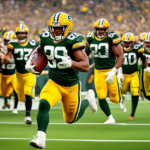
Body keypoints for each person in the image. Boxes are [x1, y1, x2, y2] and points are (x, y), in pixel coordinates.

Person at [26, 12, 97, 149]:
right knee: (43, 104)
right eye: (53, 27)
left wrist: (71, 63)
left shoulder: (74, 41)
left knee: (71, 119)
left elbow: (85, 65)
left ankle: (88, 99)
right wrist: (31, 57)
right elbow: (41, 48)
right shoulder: (46, 37)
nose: (56, 30)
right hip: (53, 82)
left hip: (70, 85)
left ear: (67, 27)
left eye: (59, 27)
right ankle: (41, 138)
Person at [85, 18, 125, 124]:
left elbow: (121, 57)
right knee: (101, 96)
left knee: (115, 100)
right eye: (99, 29)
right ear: (95, 29)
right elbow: (85, 53)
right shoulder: (90, 38)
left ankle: (120, 90)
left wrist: (113, 71)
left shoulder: (112, 38)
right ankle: (110, 118)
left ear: (107, 29)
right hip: (98, 71)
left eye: (103, 29)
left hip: (110, 70)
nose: (101, 31)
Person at [2, 24, 39, 124]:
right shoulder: (12, 44)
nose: (21, 35)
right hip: (18, 74)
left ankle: (28, 116)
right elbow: (7, 56)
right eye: (19, 34)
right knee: (20, 96)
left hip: (30, 73)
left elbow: (40, 54)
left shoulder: (33, 43)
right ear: (17, 34)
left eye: (23, 33)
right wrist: (4, 60)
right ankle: (12, 104)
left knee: (28, 93)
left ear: (26, 34)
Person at [117, 32, 147, 120]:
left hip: (134, 74)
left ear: (132, 43)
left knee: (135, 92)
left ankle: (132, 114)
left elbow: (143, 58)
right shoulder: (119, 48)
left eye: (128, 42)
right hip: (123, 75)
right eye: (125, 42)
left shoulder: (137, 48)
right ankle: (122, 100)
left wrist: (146, 67)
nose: (126, 44)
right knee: (122, 93)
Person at [0, 31, 19, 113]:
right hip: (3, 72)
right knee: (4, 92)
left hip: (13, 73)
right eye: (6, 41)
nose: (7, 43)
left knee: (16, 90)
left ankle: (15, 108)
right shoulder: (2, 48)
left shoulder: (17, 48)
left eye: (9, 41)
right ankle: (6, 102)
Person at [140, 33, 150, 100]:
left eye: (149, 42)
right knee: (145, 92)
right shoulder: (140, 49)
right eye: (146, 42)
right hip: (144, 71)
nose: (148, 44)